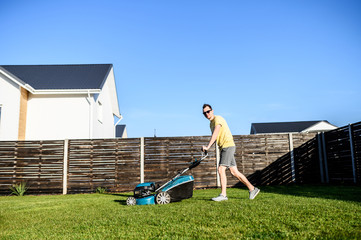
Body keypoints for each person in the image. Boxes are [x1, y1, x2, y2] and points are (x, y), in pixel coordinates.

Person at [201, 104, 260, 201]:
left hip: (227, 146)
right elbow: (216, 137)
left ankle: (223, 195)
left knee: (221, 169)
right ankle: (252, 189)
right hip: (224, 147)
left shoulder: (217, 119)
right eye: (204, 113)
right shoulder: (210, 124)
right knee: (234, 172)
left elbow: (216, 133)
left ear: (212, 110)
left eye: (208, 111)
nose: (207, 114)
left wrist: (207, 146)